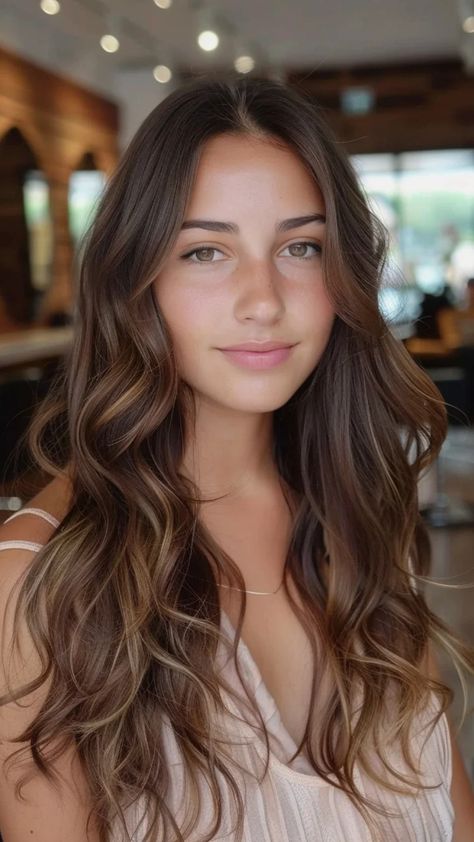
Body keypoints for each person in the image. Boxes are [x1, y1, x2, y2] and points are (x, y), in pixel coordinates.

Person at [0, 76, 473, 842]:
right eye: (207, 250)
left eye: (300, 247)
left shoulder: (355, 512)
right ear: (135, 279)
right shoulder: (45, 581)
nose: (263, 298)